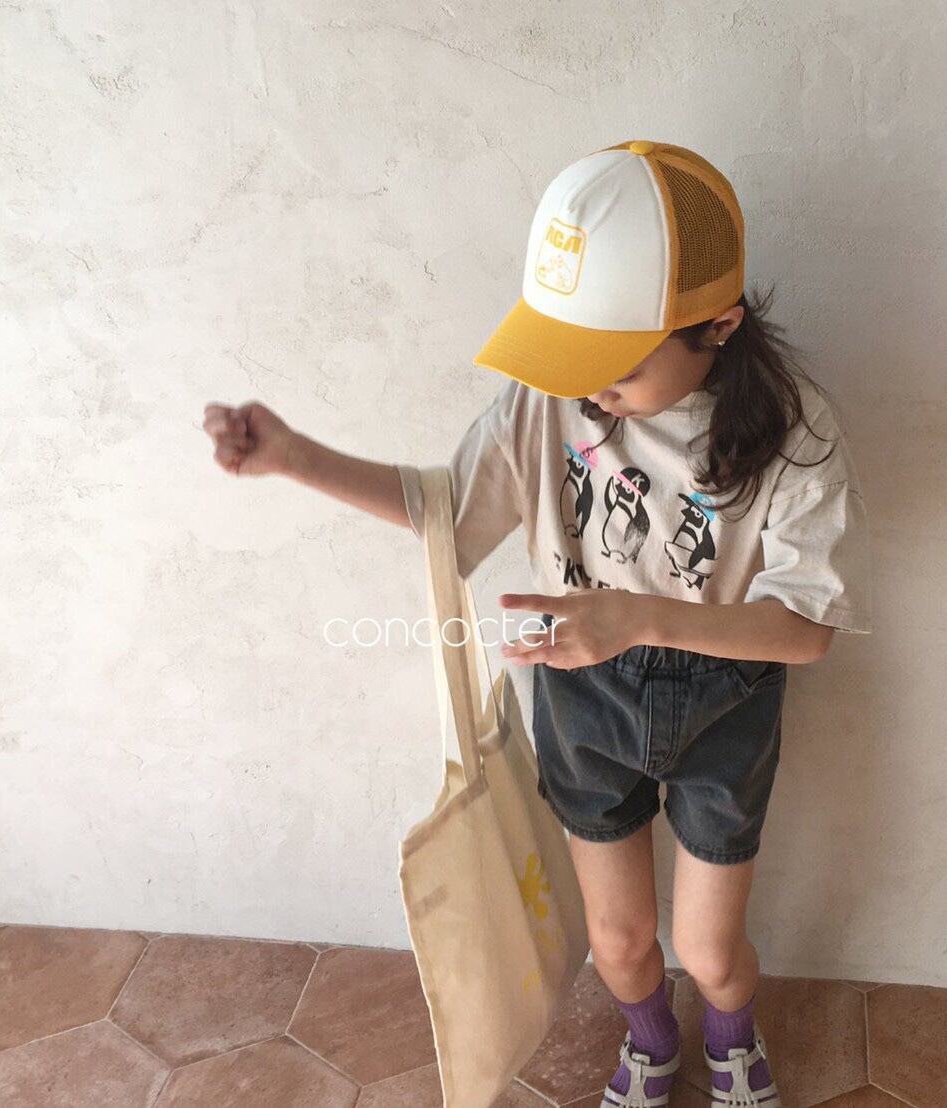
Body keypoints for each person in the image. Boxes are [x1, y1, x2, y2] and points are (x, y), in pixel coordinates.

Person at [201, 140, 871, 1108]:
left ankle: (731, 1042)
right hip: (580, 698)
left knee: (711, 950)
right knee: (619, 942)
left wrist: (636, 616)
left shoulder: (793, 432)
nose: (586, 388)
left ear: (718, 326)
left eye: (613, 364)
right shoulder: (544, 402)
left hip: (727, 701)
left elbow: (805, 627)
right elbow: (447, 514)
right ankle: (650, 1043)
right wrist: (295, 457)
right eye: (569, 357)